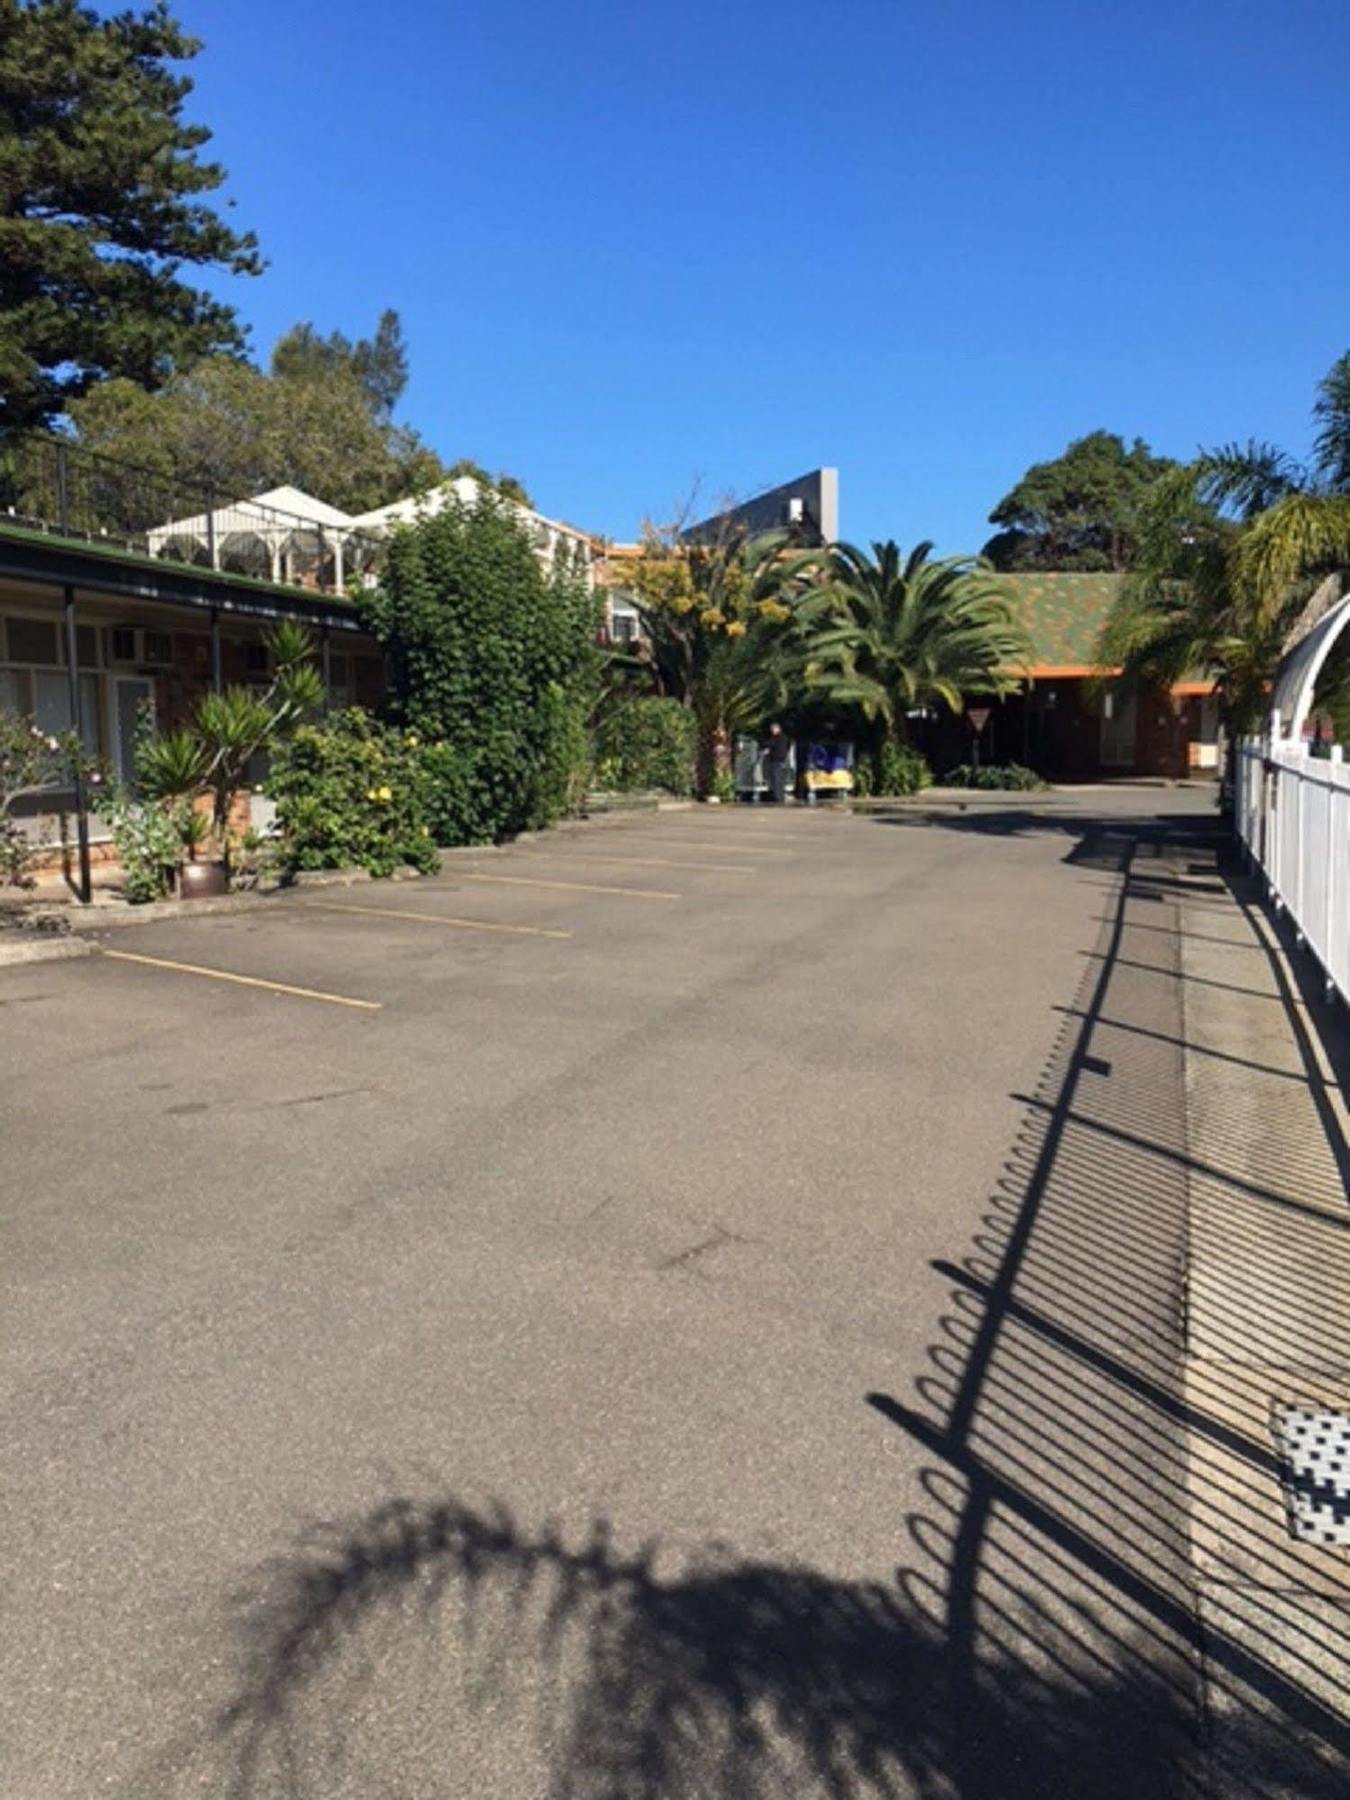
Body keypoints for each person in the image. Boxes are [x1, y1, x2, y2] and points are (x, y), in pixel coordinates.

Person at [764, 722, 792, 803]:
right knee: (781, 780)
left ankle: (777, 797)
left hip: (776, 760)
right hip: (783, 760)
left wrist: (766, 749)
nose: (772, 731)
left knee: (776, 779)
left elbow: (767, 744)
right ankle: (781, 796)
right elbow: (788, 746)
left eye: (773, 729)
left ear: (778, 729)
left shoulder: (775, 738)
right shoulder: (785, 738)